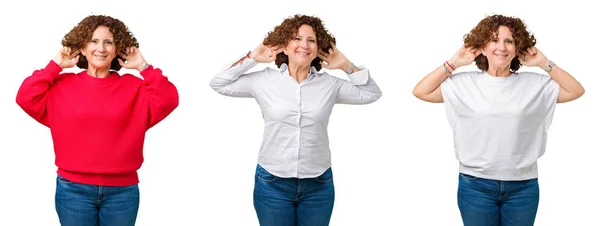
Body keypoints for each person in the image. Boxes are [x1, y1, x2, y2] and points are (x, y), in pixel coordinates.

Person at [210, 14, 382, 226]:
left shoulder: (330, 85)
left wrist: (346, 65)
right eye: (297, 38)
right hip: (272, 184)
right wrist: (253, 57)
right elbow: (219, 83)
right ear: (285, 45)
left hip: (318, 185)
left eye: (311, 40)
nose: (304, 45)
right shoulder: (263, 80)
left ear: (319, 48)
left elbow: (372, 93)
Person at [413, 14, 585, 226]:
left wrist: (543, 63)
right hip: (475, 186)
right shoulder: (463, 84)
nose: (501, 47)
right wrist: (454, 63)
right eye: (494, 40)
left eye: (509, 41)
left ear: (517, 48)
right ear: (482, 47)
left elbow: (576, 90)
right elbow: (421, 91)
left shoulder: (535, 85)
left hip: (522, 187)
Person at [15, 15, 179, 226]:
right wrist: (55, 65)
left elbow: (169, 99)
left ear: (116, 49)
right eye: (93, 41)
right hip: (73, 190)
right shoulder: (61, 86)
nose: (100, 48)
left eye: (108, 42)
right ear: (82, 48)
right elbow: (25, 97)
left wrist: (142, 66)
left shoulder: (135, 88)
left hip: (122, 193)